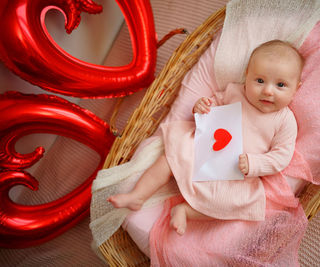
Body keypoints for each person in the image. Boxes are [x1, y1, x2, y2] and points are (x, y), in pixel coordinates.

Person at [108, 40, 304, 235]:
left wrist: (254, 164)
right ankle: (138, 195)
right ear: (247, 76)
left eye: (280, 85)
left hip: (235, 173)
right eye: (260, 81)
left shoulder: (285, 121)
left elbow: (282, 156)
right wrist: (202, 106)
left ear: (296, 88)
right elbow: (213, 104)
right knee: (168, 159)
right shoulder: (235, 92)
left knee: (233, 205)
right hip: (205, 149)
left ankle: (186, 211)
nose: (268, 91)